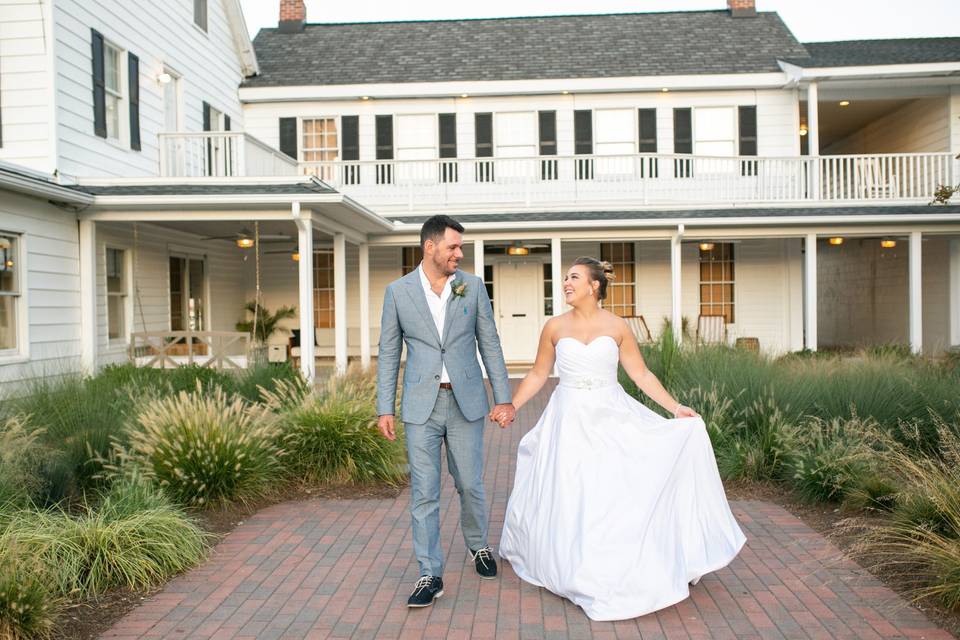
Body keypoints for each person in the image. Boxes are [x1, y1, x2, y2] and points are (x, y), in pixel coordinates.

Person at [494, 257, 746, 622]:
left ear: (594, 286)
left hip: (609, 415)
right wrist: (512, 405)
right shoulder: (554, 327)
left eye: (574, 277)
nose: (566, 283)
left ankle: (611, 562)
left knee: (609, 490)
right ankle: (573, 563)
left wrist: (676, 409)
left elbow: (640, 374)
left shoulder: (617, 327)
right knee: (572, 490)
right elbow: (537, 373)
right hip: (568, 419)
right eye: (565, 278)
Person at [377, 215, 516, 608]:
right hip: (420, 406)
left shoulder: (471, 287)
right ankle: (429, 573)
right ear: (430, 247)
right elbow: (389, 352)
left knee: (470, 483)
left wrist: (503, 397)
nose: (459, 253)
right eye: (453, 246)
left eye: (460, 247)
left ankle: (477, 545)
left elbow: (489, 341)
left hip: (466, 400)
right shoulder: (398, 292)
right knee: (424, 492)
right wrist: (383, 406)